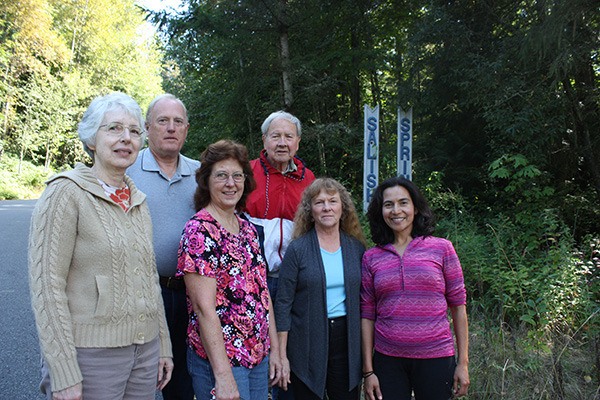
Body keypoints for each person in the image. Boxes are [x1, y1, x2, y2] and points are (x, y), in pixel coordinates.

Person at [28, 92, 173, 400]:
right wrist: (63, 369)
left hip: (145, 354)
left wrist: (163, 344)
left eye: (134, 131)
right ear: (91, 139)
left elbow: (148, 279)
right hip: (92, 357)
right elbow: (47, 287)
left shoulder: (138, 200)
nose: (126, 138)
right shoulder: (65, 193)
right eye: (114, 129)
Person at [176, 139, 282, 400]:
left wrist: (275, 350)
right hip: (221, 360)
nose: (230, 183)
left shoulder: (246, 227)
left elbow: (262, 291)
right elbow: (204, 309)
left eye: (237, 176)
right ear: (206, 181)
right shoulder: (199, 231)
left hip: (256, 355)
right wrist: (222, 375)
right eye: (221, 175)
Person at [361, 176, 470, 400]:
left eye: (403, 202)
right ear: (380, 211)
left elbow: (459, 307)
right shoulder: (372, 257)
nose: (396, 210)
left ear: (416, 208)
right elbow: (367, 315)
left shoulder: (442, 249)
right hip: (388, 360)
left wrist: (463, 363)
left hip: (436, 357)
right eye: (388, 204)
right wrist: (368, 371)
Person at [127, 93, 198, 400]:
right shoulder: (127, 169)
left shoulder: (202, 174)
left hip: (192, 294)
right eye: (163, 121)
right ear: (147, 127)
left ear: (186, 129)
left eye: (178, 122)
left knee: (181, 380)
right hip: (141, 294)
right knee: (139, 377)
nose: (171, 128)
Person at [275, 178, 366, 399]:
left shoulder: (356, 248)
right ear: (310, 210)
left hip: (347, 340)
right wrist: (282, 355)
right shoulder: (297, 250)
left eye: (333, 201)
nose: (326, 207)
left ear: (342, 207)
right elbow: (283, 303)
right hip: (305, 340)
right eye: (319, 202)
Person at [244, 110, 316, 298]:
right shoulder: (245, 173)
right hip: (252, 276)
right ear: (264, 140)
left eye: (289, 137)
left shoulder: (309, 179)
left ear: (297, 142)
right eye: (276, 136)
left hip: (295, 277)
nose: (282, 143)